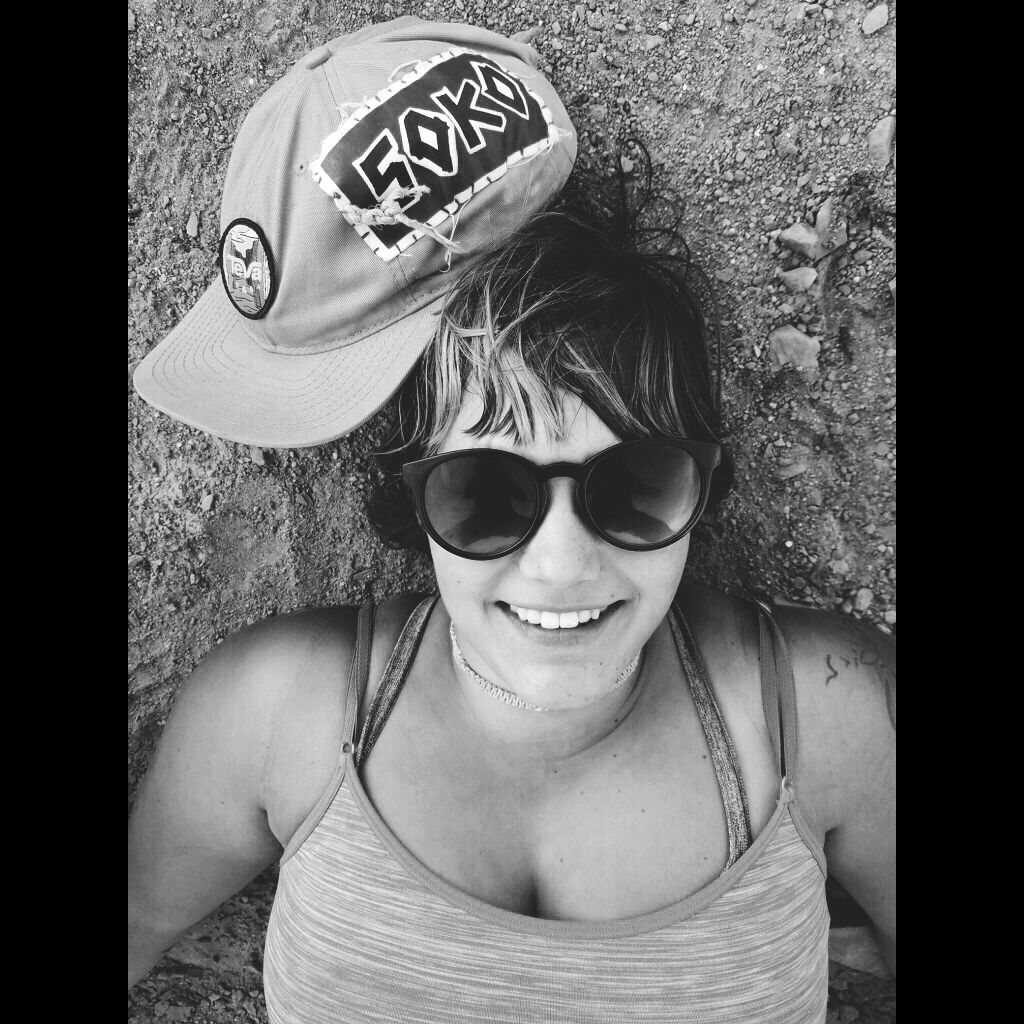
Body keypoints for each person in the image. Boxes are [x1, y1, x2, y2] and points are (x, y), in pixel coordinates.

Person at [129, 18, 895, 1024]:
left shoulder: (830, 717)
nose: (563, 562)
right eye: (486, 494)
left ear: (707, 483)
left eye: (635, 483)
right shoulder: (269, 712)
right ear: (408, 495)